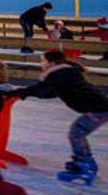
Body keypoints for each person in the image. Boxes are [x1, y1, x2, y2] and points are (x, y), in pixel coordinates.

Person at [15, 50, 108, 185]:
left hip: (99, 108)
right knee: (78, 133)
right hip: (99, 106)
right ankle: (84, 161)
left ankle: (84, 165)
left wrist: (19, 92)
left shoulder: (59, 73)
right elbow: (51, 92)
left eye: (42, 61)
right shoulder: (64, 72)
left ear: (51, 63)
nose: (41, 64)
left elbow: (41, 88)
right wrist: (25, 94)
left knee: (76, 133)